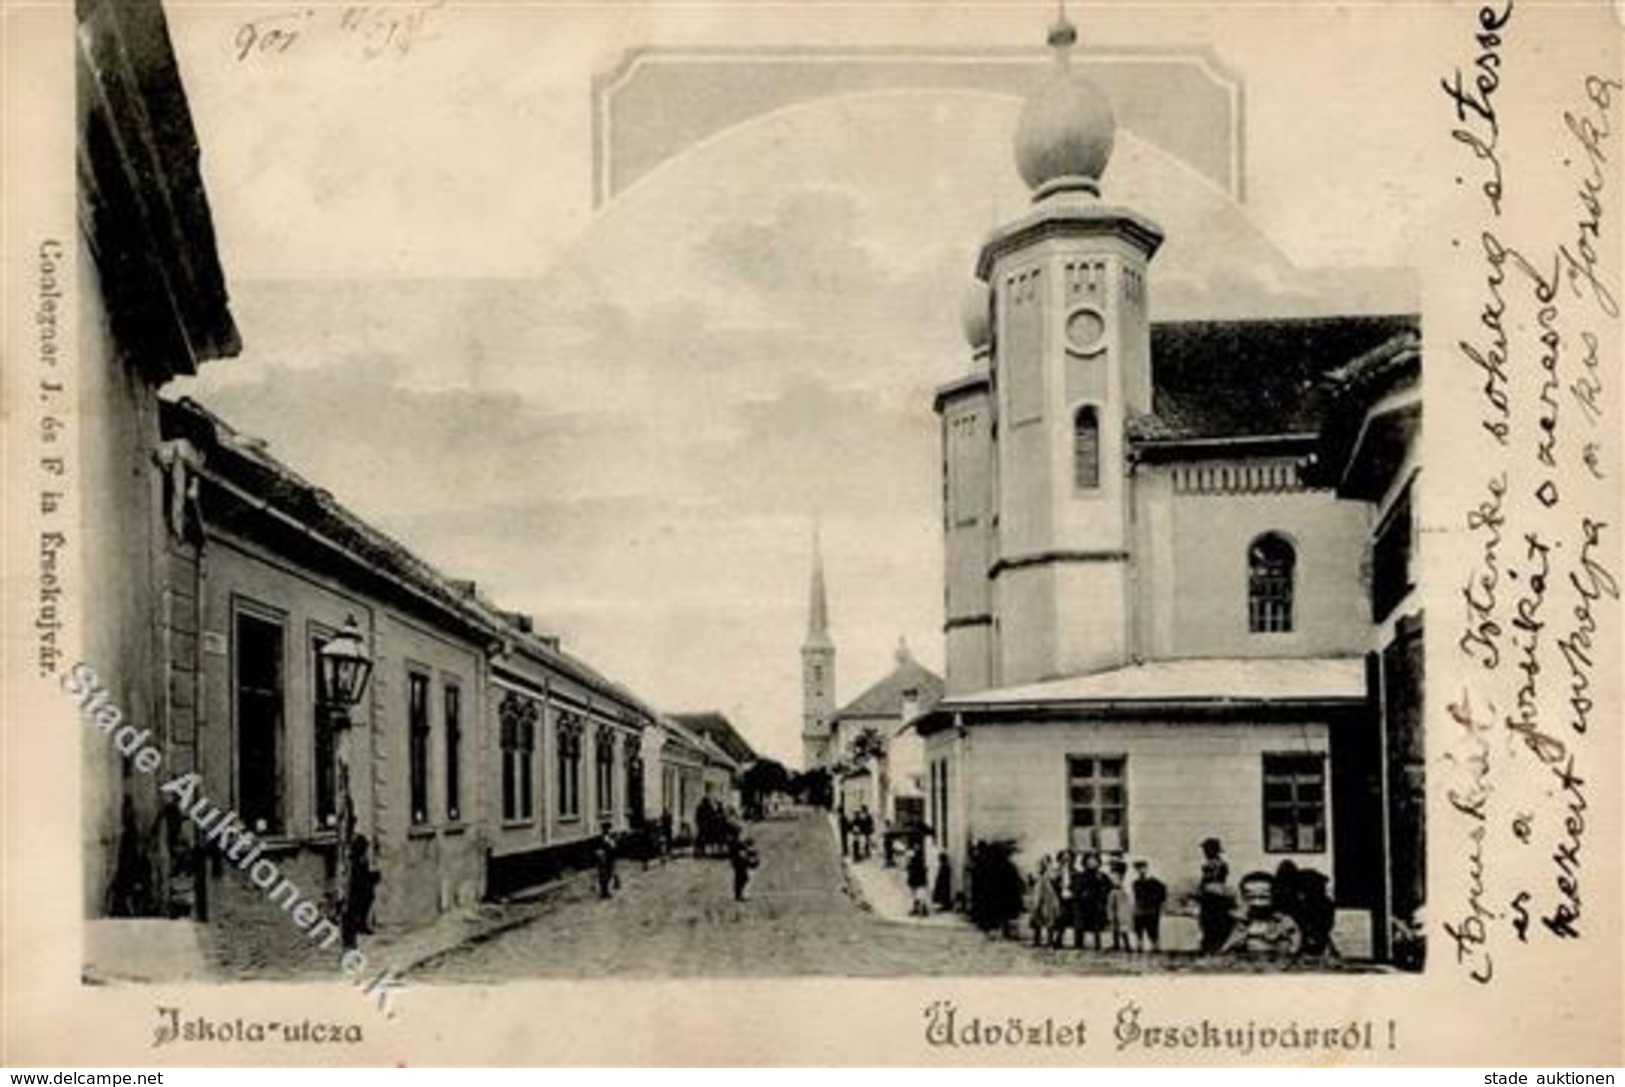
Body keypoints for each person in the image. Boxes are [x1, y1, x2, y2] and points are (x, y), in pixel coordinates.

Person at [1224, 871, 1302, 957]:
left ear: (1274, 896)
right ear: (1243, 897)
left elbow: (1295, 940)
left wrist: (1291, 950)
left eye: (1264, 897)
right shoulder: (1243, 922)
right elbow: (1230, 943)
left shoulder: (1283, 921)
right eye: (1251, 897)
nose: (1257, 903)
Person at [1197, 837, 1235, 954]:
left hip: (1215, 897)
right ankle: (1211, 946)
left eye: (1207, 849)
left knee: (1214, 921)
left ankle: (1215, 946)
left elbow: (1213, 881)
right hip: (1211, 896)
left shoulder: (1217, 865)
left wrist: (1205, 888)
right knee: (1208, 921)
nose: (1204, 852)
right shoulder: (1212, 864)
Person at [1074, 851, 1110, 951]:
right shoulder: (1081, 875)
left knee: (1096, 924)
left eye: (1094, 860)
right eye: (1089, 860)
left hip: (1096, 903)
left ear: (1098, 863)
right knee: (1080, 923)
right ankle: (1079, 943)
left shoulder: (1101, 876)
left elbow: (1107, 888)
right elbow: (1076, 888)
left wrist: (1102, 898)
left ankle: (1098, 943)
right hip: (1083, 904)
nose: (1092, 862)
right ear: (1085, 862)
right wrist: (1082, 893)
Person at [1130, 858, 1168, 952]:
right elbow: (1136, 896)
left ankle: (1155, 945)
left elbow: (1163, 893)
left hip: (1152, 909)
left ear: (1146, 868)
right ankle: (1140, 944)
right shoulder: (1136, 883)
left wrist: (1158, 904)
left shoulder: (1155, 882)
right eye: (1138, 869)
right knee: (1139, 927)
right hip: (1140, 908)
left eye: (1142, 868)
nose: (1140, 870)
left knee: (1152, 927)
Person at [1029, 856, 1063, 947]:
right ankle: (1037, 940)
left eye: (1045, 863)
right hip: (1038, 898)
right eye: (1041, 864)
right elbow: (1033, 885)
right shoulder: (1037, 875)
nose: (1042, 866)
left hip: (1049, 899)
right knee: (1037, 917)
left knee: (1049, 918)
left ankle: (1050, 940)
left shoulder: (1051, 874)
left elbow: (1055, 883)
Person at [1106, 859, 1133, 951]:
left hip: (1121, 895)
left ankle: (1127, 944)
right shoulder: (1112, 875)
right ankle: (1116, 943)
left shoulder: (1124, 878)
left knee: (1121, 920)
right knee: (1113, 919)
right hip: (1113, 894)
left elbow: (1123, 888)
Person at [728, 833, 760, 901]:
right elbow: (742, 854)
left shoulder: (737, 844)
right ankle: (738, 895)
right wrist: (751, 861)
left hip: (738, 863)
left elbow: (745, 852)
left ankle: (738, 894)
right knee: (741, 878)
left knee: (743, 878)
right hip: (738, 863)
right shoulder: (736, 844)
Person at [594, 821, 618, 899]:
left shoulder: (610, 837)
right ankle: (604, 892)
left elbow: (614, 847)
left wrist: (613, 845)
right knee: (604, 875)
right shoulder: (600, 838)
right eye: (607, 829)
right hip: (603, 859)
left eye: (609, 828)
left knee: (609, 875)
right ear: (604, 829)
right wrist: (601, 856)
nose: (608, 830)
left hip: (610, 859)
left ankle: (605, 891)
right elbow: (598, 849)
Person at [906, 842, 930, 917]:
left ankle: (921, 910)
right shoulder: (921, 860)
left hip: (917, 881)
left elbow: (910, 870)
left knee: (918, 896)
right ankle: (921, 909)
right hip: (919, 881)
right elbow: (924, 870)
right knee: (919, 896)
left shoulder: (915, 861)